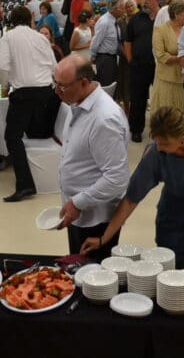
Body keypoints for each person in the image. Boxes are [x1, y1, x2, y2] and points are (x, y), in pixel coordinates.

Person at [81, 106, 184, 261]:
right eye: (156, 141)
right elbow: (131, 199)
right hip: (171, 223)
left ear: (181, 137)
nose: (159, 147)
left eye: (164, 143)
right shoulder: (156, 154)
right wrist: (103, 238)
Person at [54, 56, 130, 262]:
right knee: (77, 269)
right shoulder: (77, 102)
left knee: (94, 280)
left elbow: (117, 178)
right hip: (77, 211)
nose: (56, 91)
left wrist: (78, 202)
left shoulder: (104, 119)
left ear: (84, 82)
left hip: (97, 219)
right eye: (55, 83)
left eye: (62, 86)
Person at [0, 5, 56, 202]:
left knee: (11, 136)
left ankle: (25, 185)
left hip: (24, 92)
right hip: (46, 91)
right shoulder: (40, 37)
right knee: (33, 130)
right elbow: (53, 65)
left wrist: (4, 85)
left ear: (11, 21)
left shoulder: (9, 37)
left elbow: (2, 67)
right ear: (31, 20)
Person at [125, 0, 160, 142]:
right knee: (138, 99)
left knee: (159, 98)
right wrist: (130, 60)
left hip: (159, 67)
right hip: (139, 65)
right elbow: (128, 41)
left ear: (157, 0)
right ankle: (136, 130)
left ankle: (159, 129)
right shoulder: (136, 19)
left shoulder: (163, 17)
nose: (144, 2)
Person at [151, 0, 184, 115]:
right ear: (177, 14)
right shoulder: (160, 30)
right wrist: (182, 58)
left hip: (183, 78)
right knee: (166, 114)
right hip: (166, 80)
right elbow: (161, 56)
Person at [90, 0, 123, 86]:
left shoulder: (114, 21)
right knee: (106, 85)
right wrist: (93, 57)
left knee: (112, 83)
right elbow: (96, 41)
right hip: (104, 59)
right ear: (114, 9)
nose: (123, 11)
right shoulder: (104, 22)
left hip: (112, 58)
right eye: (121, 8)